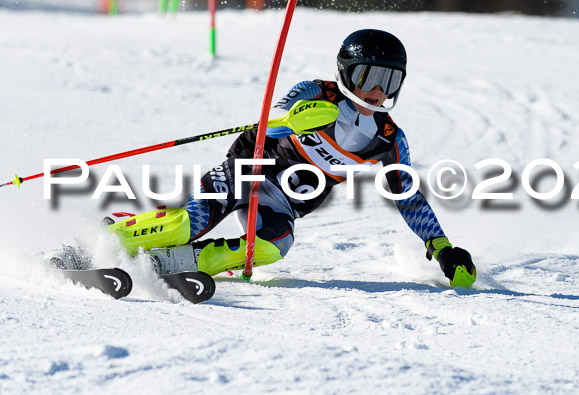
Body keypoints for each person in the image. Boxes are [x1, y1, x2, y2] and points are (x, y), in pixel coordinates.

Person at [48, 29, 477, 288]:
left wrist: (441, 248)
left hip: (282, 201)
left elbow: (409, 198)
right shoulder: (315, 93)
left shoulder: (389, 141)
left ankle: (166, 264)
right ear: (347, 73)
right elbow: (263, 125)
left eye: (389, 80)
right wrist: (294, 122)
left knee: (273, 248)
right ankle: (92, 247)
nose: (378, 91)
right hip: (244, 171)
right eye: (368, 77)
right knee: (183, 224)